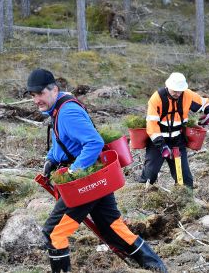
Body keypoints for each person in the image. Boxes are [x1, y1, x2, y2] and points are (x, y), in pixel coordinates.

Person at [27, 68, 167, 273]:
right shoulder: (59, 108)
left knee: (54, 233)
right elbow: (65, 140)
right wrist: (51, 159)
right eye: (33, 95)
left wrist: (73, 172)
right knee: (112, 226)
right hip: (94, 176)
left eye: (40, 93)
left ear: (54, 89)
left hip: (84, 181)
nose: (36, 99)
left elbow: (93, 143)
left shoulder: (67, 112)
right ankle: (156, 267)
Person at [139, 72, 209, 189]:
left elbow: (205, 103)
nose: (177, 93)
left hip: (177, 142)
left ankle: (185, 201)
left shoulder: (187, 95)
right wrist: (162, 146)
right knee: (150, 175)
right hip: (158, 142)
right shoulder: (157, 98)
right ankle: (140, 196)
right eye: (175, 90)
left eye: (180, 90)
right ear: (168, 86)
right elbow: (151, 125)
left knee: (185, 179)